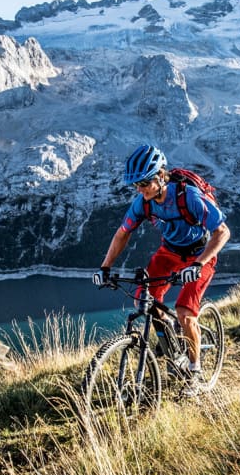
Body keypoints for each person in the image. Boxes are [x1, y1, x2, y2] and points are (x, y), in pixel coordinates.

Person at [93, 144, 230, 389]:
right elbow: (122, 234)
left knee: (185, 314)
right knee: (143, 301)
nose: (139, 189)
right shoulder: (143, 203)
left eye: (144, 183)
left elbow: (222, 233)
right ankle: (169, 340)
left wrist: (198, 264)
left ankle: (195, 371)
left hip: (200, 254)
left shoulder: (188, 197)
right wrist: (105, 268)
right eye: (135, 185)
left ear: (160, 176)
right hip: (169, 253)